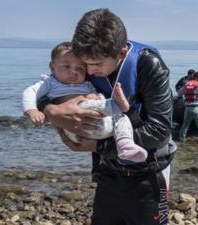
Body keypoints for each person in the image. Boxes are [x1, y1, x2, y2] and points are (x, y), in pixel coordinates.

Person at [40, 9, 175, 225]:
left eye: (96, 64)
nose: (90, 71)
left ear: (121, 54)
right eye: (86, 63)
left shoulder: (149, 65)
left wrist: (98, 147)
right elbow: (46, 88)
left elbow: (159, 131)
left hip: (148, 175)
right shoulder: (88, 58)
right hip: (109, 173)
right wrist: (50, 110)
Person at [22, 42, 148, 165]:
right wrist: (31, 110)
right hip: (76, 128)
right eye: (67, 66)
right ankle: (117, 105)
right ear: (52, 67)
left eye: (80, 68)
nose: (73, 71)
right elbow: (30, 92)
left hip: (101, 126)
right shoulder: (50, 82)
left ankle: (125, 146)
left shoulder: (87, 84)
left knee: (121, 117)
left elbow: (98, 98)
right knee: (86, 105)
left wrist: (96, 97)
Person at [178, 72, 198, 144]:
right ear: (196, 78)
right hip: (196, 109)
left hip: (187, 108)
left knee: (185, 125)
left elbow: (179, 93)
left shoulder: (186, 84)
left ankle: (181, 140)